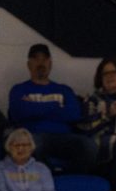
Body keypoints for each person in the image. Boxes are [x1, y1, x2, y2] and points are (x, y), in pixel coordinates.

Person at [6, 43, 97, 173]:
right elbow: (17, 113)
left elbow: (74, 114)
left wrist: (34, 108)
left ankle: (70, 181)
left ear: (50, 64)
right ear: (29, 65)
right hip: (34, 136)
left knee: (89, 146)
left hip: (64, 138)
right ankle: (47, 181)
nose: (40, 63)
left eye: (44, 59)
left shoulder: (64, 90)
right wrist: (55, 106)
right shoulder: (19, 89)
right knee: (33, 145)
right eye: (36, 59)